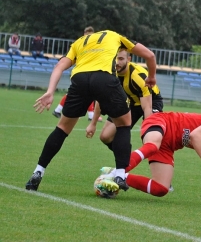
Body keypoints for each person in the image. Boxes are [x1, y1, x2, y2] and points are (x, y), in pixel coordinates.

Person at [25, 30, 157, 192]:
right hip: (104, 78)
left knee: (62, 128)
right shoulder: (114, 36)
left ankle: (38, 171)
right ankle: (120, 175)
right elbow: (150, 55)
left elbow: (60, 65)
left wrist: (50, 91)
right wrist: (151, 77)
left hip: (79, 80)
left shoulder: (79, 41)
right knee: (124, 123)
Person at [95, 111, 201, 207]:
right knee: (153, 145)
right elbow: (194, 135)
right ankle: (117, 174)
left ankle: (119, 174)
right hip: (161, 122)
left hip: (168, 146)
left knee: (161, 189)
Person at [86, 48, 163, 151]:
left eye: (121, 59)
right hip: (130, 103)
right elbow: (101, 99)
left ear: (129, 59)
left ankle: (155, 158)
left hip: (151, 102)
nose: (117, 62)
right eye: (115, 59)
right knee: (105, 137)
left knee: (150, 137)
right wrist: (93, 124)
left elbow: (147, 107)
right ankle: (125, 161)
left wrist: (148, 130)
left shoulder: (138, 77)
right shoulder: (109, 74)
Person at [52, 27, 102, 121]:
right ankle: (91, 115)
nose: (88, 38)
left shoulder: (94, 47)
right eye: (87, 35)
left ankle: (58, 110)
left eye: (91, 36)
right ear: (83, 35)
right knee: (84, 93)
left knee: (87, 93)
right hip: (79, 74)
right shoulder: (79, 44)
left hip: (86, 74)